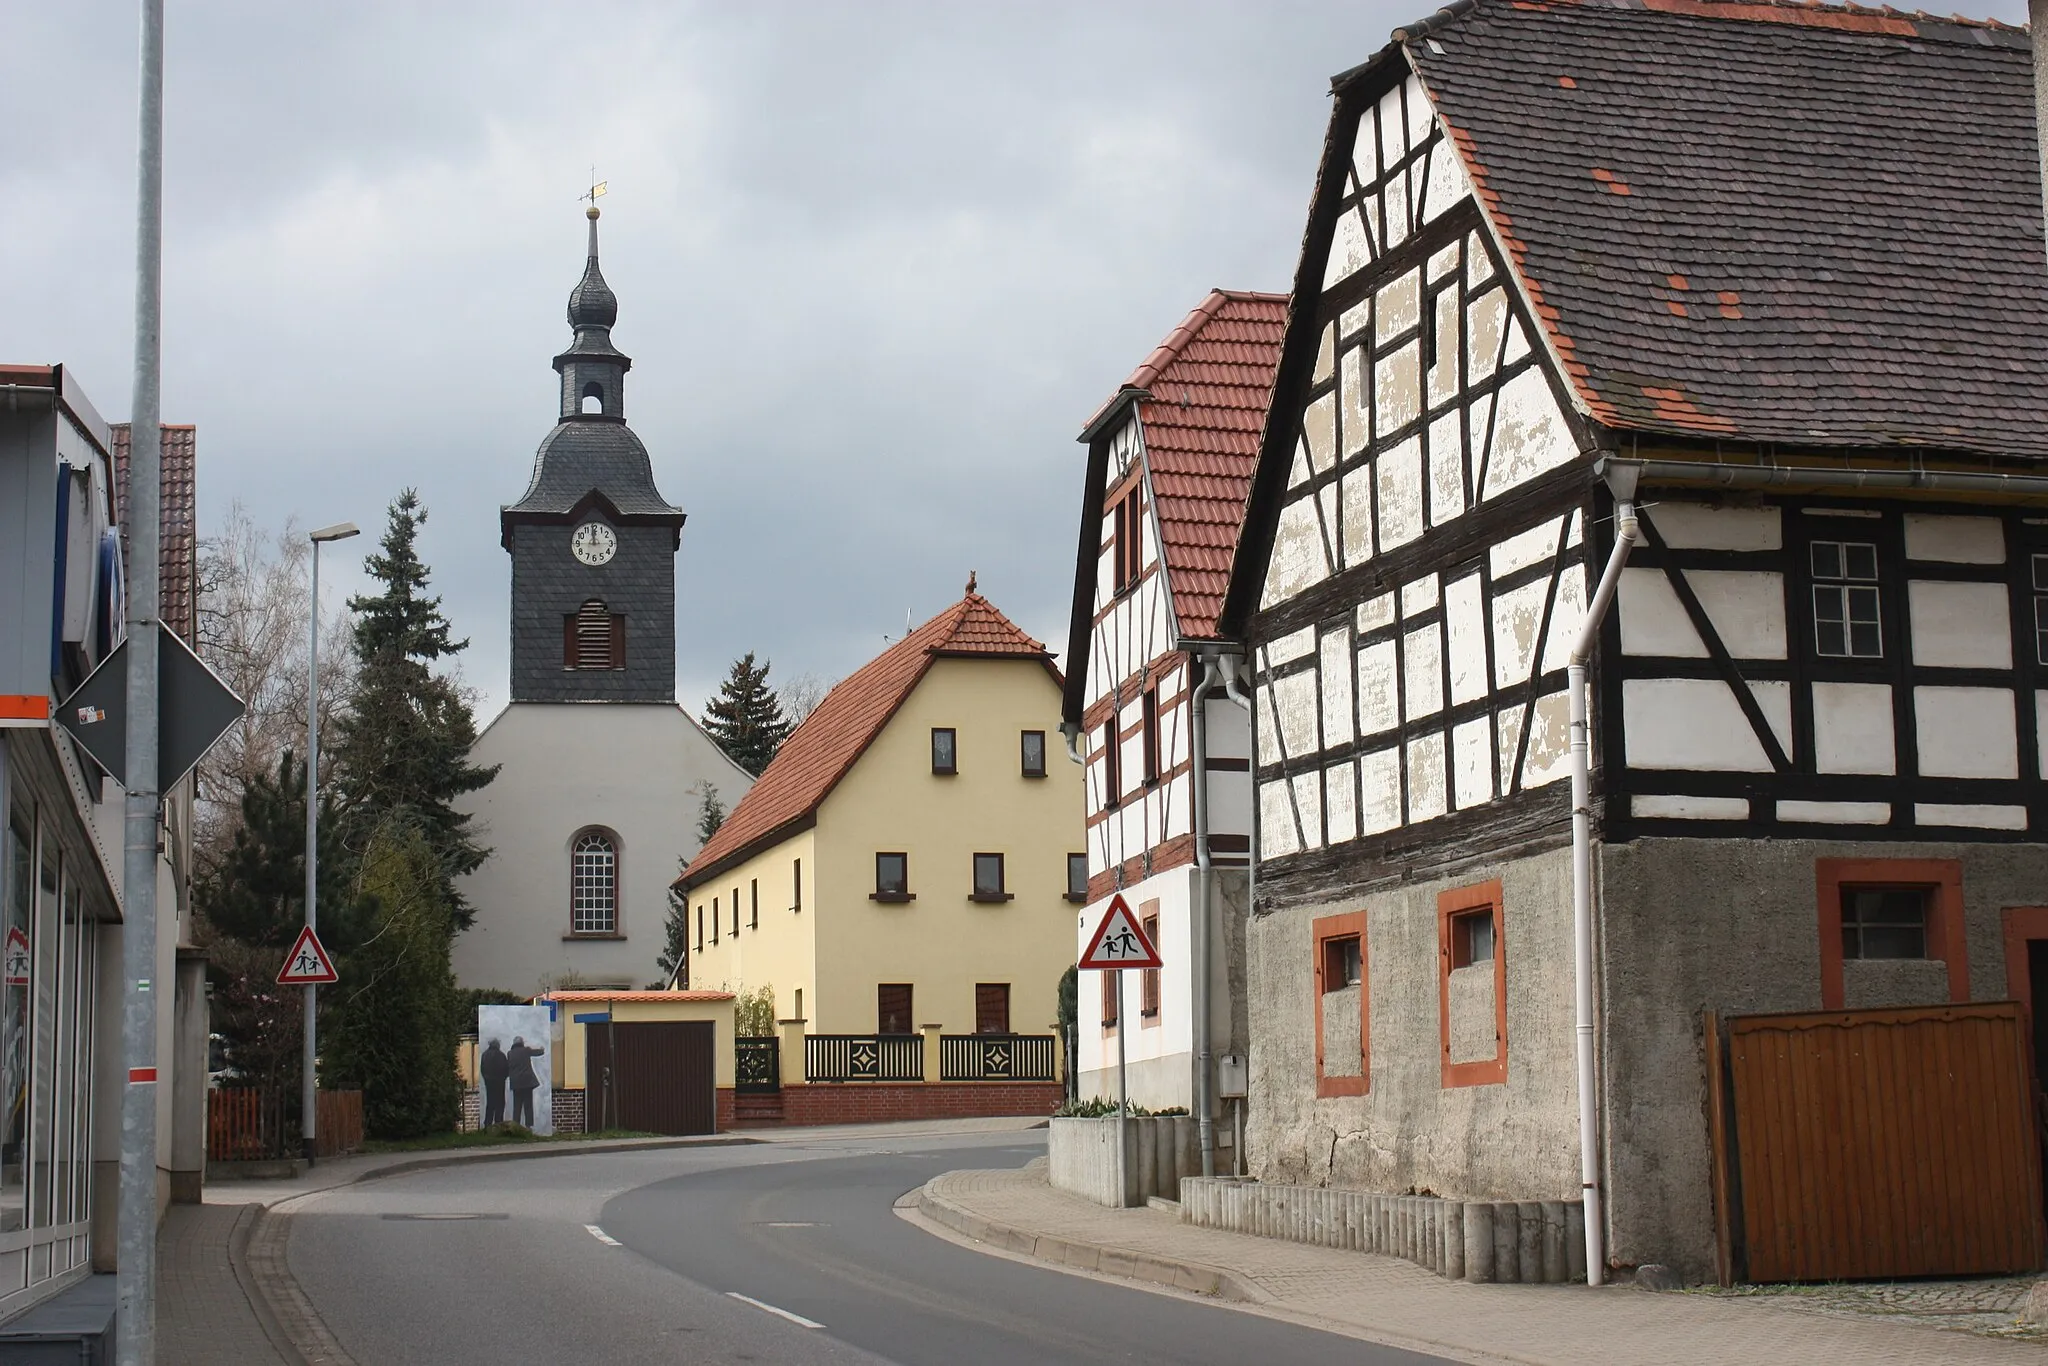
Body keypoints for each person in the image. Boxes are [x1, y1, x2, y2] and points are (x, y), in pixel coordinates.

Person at [507, 1035, 547, 1129]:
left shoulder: (510, 1053)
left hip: (516, 1083)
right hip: (527, 1083)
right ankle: (528, 1126)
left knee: (517, 1106)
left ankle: (515, 1125)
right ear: (522, 1043)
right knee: (528, 1105)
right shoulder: (526, 1050)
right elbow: (538, 1052)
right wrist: (542, 1049)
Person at [479, 1039, 508, 1128]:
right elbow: (506, 1068)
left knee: (490, 1103)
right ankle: (498, 1124)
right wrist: (504, 1077)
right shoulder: (501, 1055)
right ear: (497, 1045)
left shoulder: (484, 1055)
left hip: (489, 1082)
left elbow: (482, 1069)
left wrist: (486, 1079)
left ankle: (487, 1124)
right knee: (500, 1103)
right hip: (499, 1082)